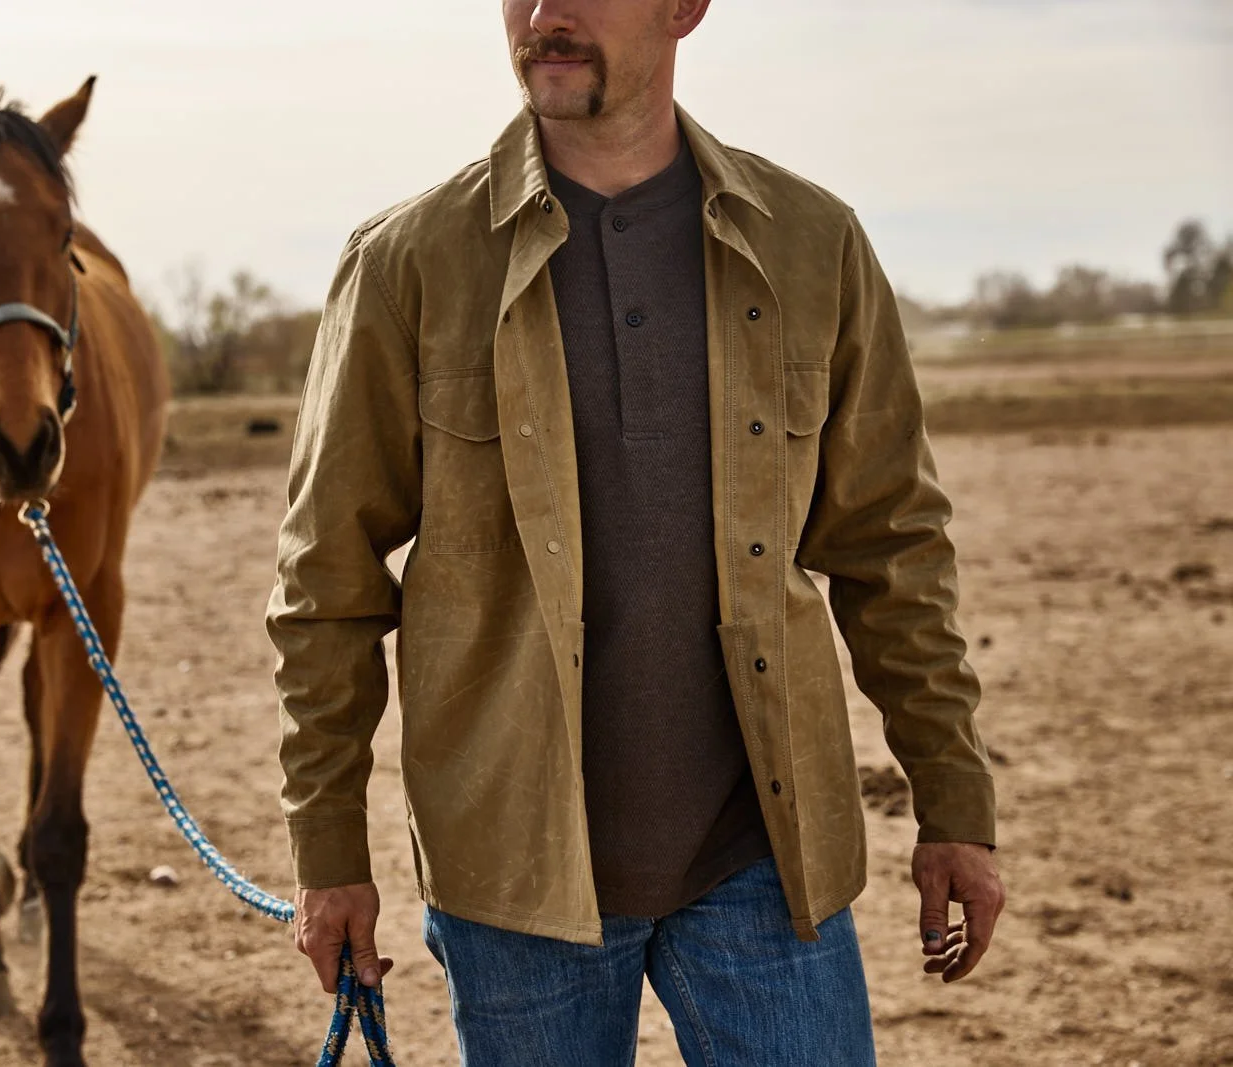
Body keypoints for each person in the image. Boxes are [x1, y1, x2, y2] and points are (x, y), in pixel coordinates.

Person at [266, 2, 1007, 1062]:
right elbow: (326, 583)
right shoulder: (406, 263)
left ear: (684, 7)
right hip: (514, 872)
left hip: (765, 857)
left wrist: (954, 801)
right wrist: (328, 849)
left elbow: (893, 551)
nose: (544, 15)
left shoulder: (813, 244)